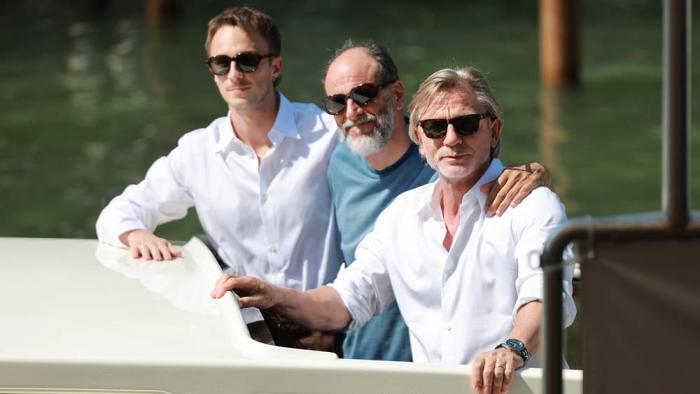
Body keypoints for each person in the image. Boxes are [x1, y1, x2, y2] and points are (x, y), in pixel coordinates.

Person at [211, 66, 576, 394]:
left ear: (492, 129)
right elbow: (346, 302)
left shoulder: (532, 203)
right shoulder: (400, 215)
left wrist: (512, 348)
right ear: (418, 137)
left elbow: (546, 295)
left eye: (465, 124)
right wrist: (271, 294)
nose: (450, 139)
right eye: (435, 127)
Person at [96, 6, 345, 351]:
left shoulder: (327, 134)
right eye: (220, 63)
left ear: (275, 66)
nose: (233, 73)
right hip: (247, 334)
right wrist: (136, 233)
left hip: (325, 326)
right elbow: (119, 212)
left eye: (246, 61)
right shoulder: (198, 151)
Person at [322, 41, 551, 362]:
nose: (352, 111)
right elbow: (348, 287)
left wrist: (537, 173)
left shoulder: (455, 170)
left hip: (434, 369)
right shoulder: (337, 161)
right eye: (337, 102)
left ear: (396, 95)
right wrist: (275, 299)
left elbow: (544, 290)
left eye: (363, 95)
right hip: (362, 362)